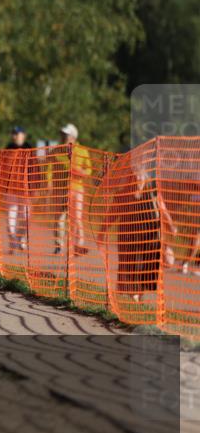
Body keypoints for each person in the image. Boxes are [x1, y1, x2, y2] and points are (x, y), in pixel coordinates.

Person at [101, 151, 177, 303]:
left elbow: (162, 210)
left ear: (145, 177)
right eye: (134, 176)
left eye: (140, 176)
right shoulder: (123, 195)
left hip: (150, 237)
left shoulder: (153, 192)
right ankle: (130, 296)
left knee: (166, 261)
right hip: (127, 237)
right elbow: (111, 215)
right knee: (128, 265)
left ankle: (136, 294)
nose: (138, 179)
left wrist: (171, 226)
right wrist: (101, 234)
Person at [51, 123, 93, 256]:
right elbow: (48, 167)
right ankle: (59, 245)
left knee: (77, 218)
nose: (63, 137)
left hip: (77, 189)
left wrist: (81, 171)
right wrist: (48, 182)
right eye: (62, 134)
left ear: (73, 136)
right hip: (60, 189)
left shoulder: (82, 151)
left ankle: (79, 245)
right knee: (59, 218)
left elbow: (90, 170)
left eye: (66, 134)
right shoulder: (56, 150)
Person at [0, 126, 33, 254]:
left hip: (25, 189)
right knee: (10, 218)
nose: (14, 136)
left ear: (23, 135)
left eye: (17, 134)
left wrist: (36, 186)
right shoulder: (8, 148)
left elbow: (36, 169)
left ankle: (19, 239)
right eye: (13, 133)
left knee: (26, 217)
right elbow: (1, 168)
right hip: (10, 188)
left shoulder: (30, 148)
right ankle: (13, 242)